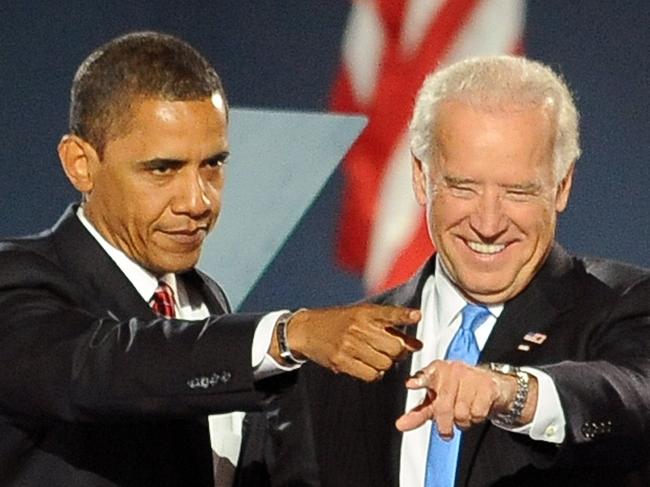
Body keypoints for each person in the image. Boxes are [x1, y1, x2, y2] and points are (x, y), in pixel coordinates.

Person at [0, 31, 422, 487]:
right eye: (163, 169)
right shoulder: (18, 282)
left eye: (213, 165)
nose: (198, 201)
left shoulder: (204, 298)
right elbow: (102, 369)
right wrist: (289, 333)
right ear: (81, 163)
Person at [305, 55, 650, 486]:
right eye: (463, 187)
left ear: (562, 186)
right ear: (420, 176)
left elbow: (634, 391)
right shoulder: (344, 345)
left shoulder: (627, 305)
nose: (488, 224)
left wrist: (509, 390)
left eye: (518, 191)